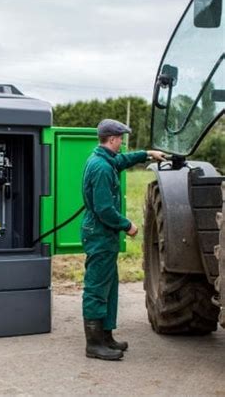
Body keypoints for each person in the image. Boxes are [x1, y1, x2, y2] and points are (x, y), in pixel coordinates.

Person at [81, 119, 165, 361]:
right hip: (99, 234)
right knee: (97, 288)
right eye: (121, 140)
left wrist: (147, 154)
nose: (123, 144)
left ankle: (106, 336)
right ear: (112, 139)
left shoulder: (104, 159)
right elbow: (104, 209)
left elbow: (122, 161)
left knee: (108, 286)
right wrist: (127, 225)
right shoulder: (101, 168)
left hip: (102, 235)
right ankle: (94, 344)